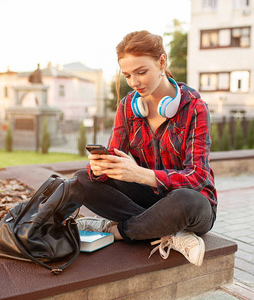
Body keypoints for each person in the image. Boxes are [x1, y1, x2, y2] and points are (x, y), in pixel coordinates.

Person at [71, 30, 217, 266]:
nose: (134, 82)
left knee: (184, 201)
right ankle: (164, 229)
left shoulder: (195, 107)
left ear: (161, 62)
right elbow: (113, 160)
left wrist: (141, 174)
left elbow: (197, 176)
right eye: (127, 75)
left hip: (192, 203)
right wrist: (100, 168)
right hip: (148, 201)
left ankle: (118, 232)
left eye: (141, 72)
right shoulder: (128, 106)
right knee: (80, 179)